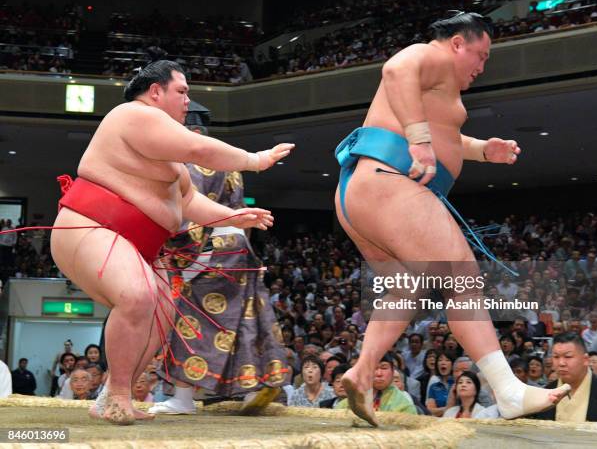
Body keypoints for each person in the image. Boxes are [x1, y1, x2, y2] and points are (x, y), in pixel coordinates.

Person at [334, 12, 569, 426]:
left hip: (361, 190)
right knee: (463, 283)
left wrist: (481, 149)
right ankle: (509, 391)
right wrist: (420, 141)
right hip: (392, 183)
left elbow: (442, 134)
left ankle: (362, 372)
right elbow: (395, 69)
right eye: (481, 55)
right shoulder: (432, 56)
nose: (481, 67)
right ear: (459, 43)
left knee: (406, 288)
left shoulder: (434, 88)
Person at [49, 60, 293, 424]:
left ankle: (113, 395)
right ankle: (117, 394)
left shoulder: (171, 165)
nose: (187, 100)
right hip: (91, 228)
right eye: (181, 91)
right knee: (138, 295)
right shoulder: (131, 114)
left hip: (136, 245)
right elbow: (200, 150)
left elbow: (190, 203)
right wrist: (255, 160)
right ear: (155, 92)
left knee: (162, 313)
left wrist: (234, 217)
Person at [148, 102, 289, 415]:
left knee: (190, 320)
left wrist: (176, 258)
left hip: (208, 250)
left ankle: (182, 399)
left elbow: (188, 214)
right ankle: (258, 385)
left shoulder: (187, 162)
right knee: (245, 320)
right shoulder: (227, 160)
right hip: (240, 248)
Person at [531, 332, 597, 422]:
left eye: (568, 356)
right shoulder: (545, 394)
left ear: (585, 360)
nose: (561, 363)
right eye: (556, 357)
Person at [336, 352, 417, 414]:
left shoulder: (404, 405)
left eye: (384, 368)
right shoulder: (345, 405)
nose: (379, 373)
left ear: (392, 372)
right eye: (374, 368)